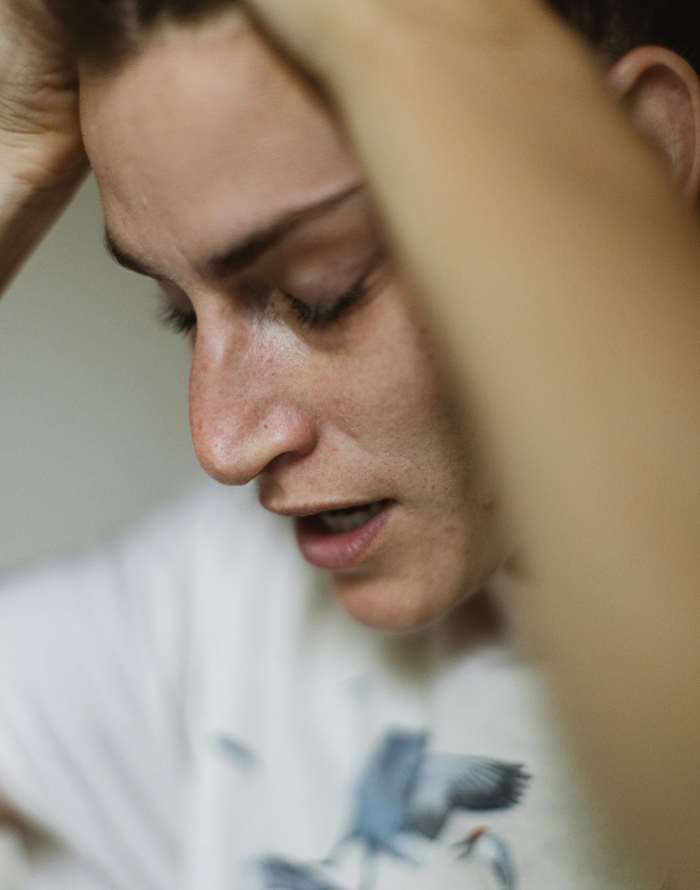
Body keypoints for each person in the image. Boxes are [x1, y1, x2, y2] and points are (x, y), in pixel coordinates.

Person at [0, 0, 698, 888]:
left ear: (643, 154)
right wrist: (10, 149)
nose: (221, 443)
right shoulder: (234, 612)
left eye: (318, 292)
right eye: (178, 315)